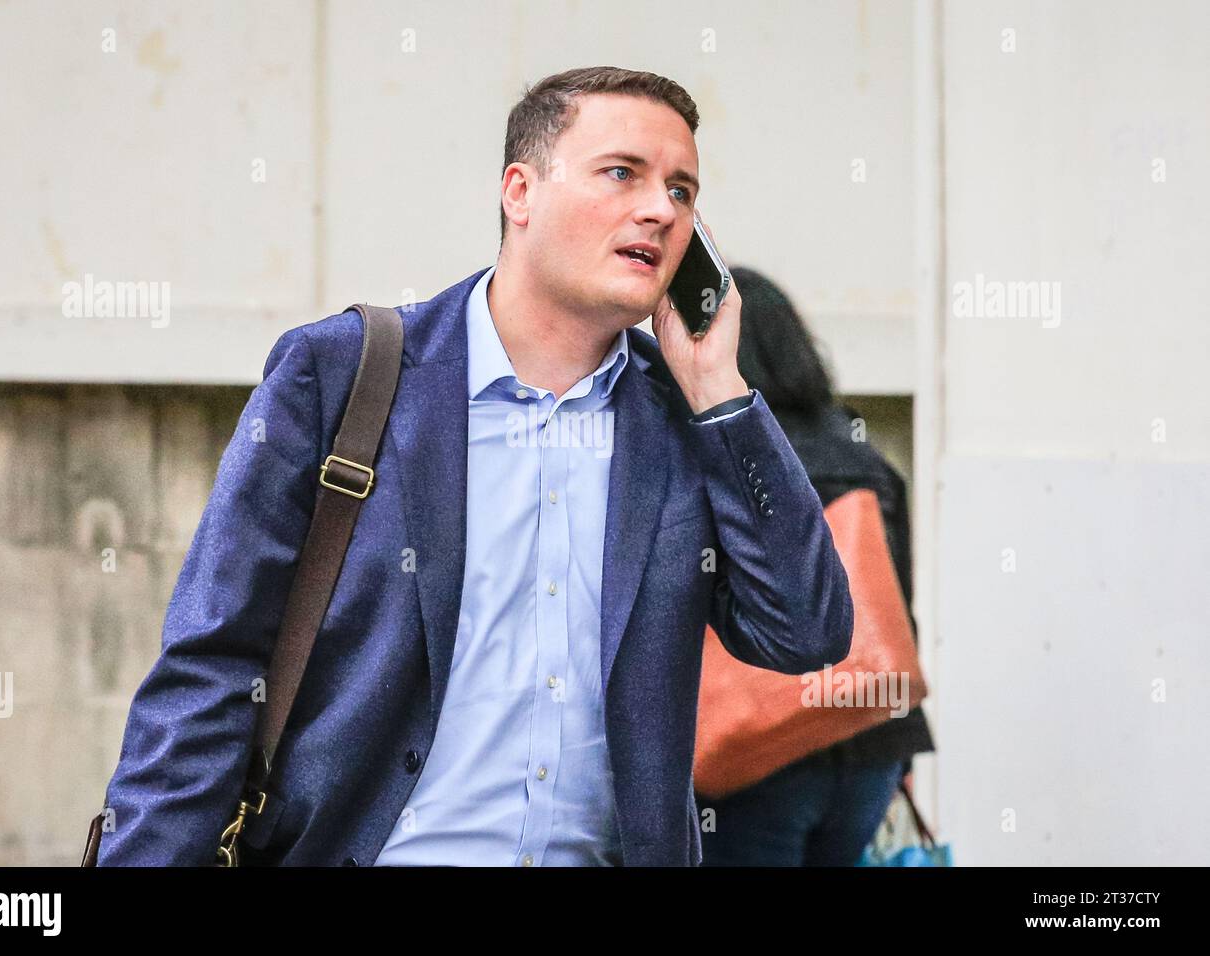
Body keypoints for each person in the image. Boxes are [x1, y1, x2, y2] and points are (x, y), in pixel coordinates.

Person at [94, 66, 853, 867]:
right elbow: (213, 661)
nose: (661, 208)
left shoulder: (682, 420)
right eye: (623, 173)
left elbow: (804, 631)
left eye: (683, 190)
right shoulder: (347, 376)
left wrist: (720, 392)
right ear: (519, 193)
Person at [696, 266, 937, 866]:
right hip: (869, 746)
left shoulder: (734, 450)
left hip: (755, 750)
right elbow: (899, 612)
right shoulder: (861, 453)